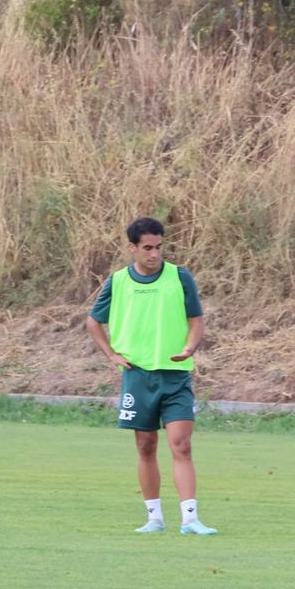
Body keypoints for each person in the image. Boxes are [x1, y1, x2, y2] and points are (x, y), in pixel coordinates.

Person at [85, 218, 215, 535]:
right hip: (137, 376)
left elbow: (196, 320)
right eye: (147, 248)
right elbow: (93, 322)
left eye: (159, 247)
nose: (155, 254)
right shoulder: (118, 282)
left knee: (181, 445)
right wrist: (113, 355)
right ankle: (154, 518)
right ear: (133, 248)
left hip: (175, 375)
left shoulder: (180, 277)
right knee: (145, 446)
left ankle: (191, 519)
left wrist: (189, 347)